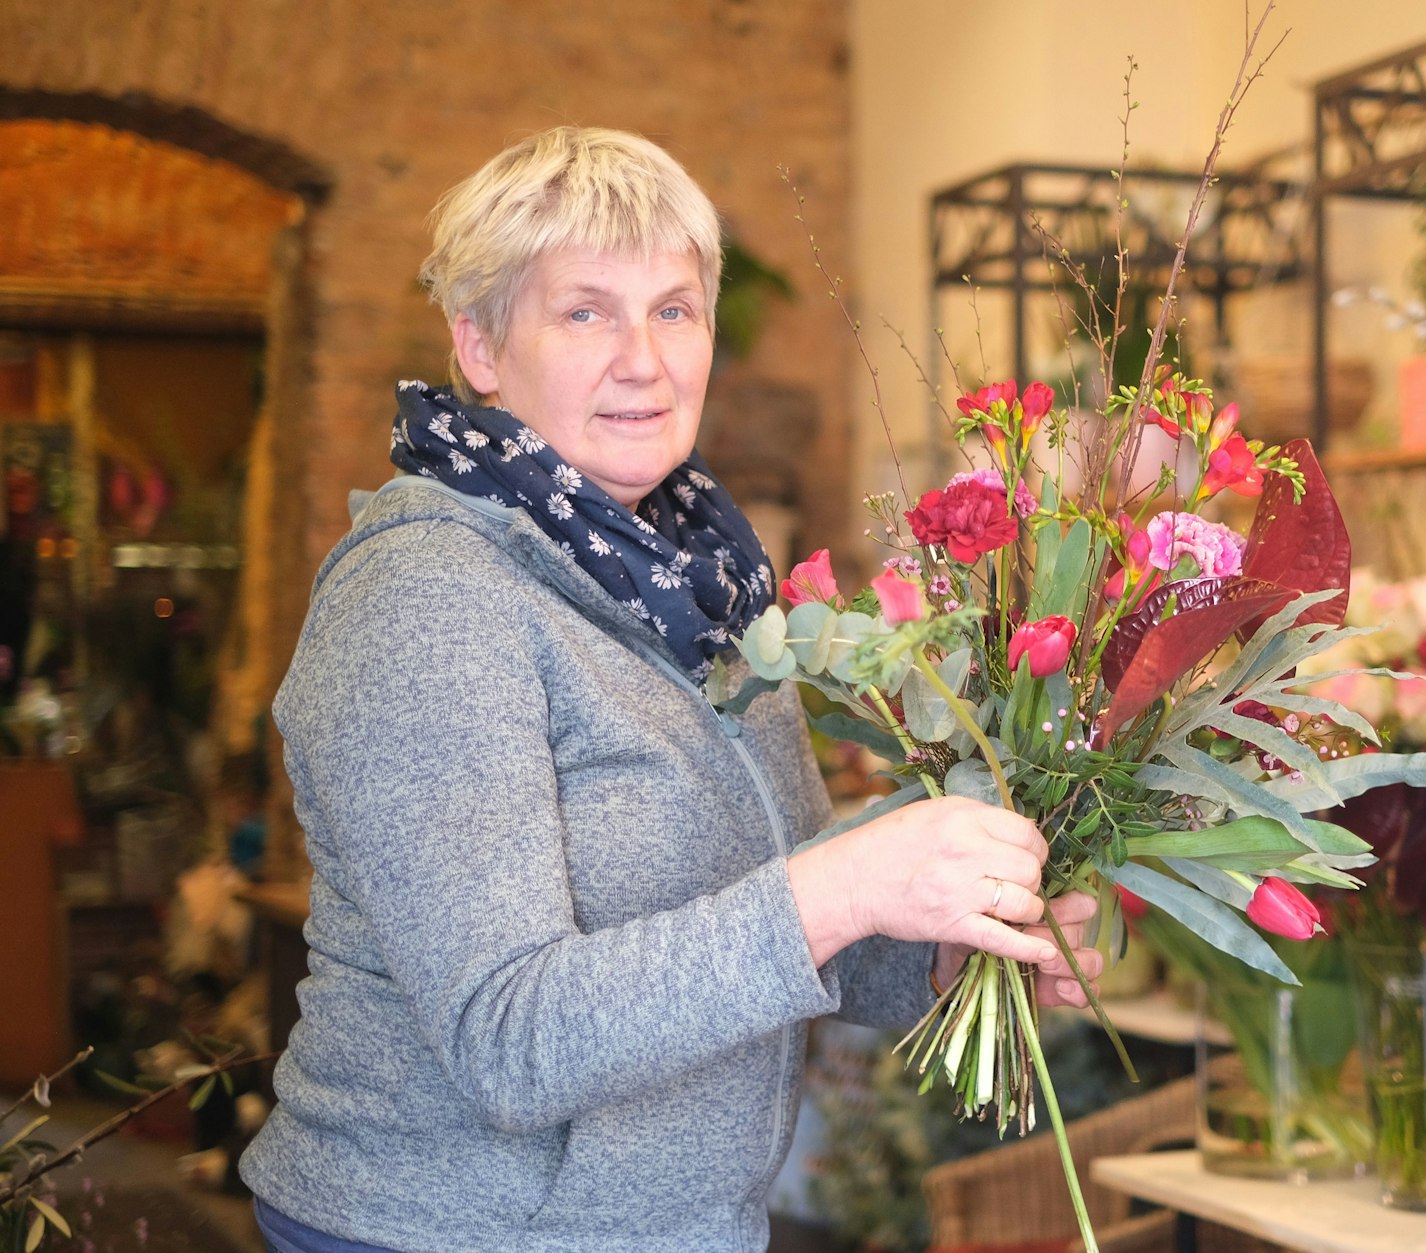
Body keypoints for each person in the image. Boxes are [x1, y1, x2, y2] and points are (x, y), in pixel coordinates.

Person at [238, 126, 1104, 1253]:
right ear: (481, 347)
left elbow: (759, 929)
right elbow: (511, 1037)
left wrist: (946, 941)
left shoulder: (707, 581)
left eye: (674, 308)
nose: (642, 357)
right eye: (585, 310)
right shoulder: (428, 593)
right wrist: (845, 880)